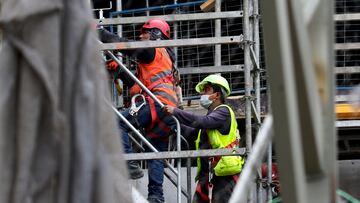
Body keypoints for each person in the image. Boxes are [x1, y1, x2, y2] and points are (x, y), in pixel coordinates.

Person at [99, 19, 178, 203]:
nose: (141, 36)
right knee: (155, 153)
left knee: (117, 121)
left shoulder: (153, 50)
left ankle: (129, 164)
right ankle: (156, 197)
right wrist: (119, 69)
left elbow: (127, 46)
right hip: (167, 109)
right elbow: (136, 87)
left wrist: (101, 33)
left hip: (157, 103)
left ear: (155, 34)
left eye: (144, 32)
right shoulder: (164, 60)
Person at [162, 74, 245, 203]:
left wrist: (176, 112)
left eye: (207, 90)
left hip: (224, 174)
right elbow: (192, 133)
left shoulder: (224, 112)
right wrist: (172, 122)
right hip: (208, 174)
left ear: (217, 95)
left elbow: (202, 122)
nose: (203, 93)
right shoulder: (211, 116)